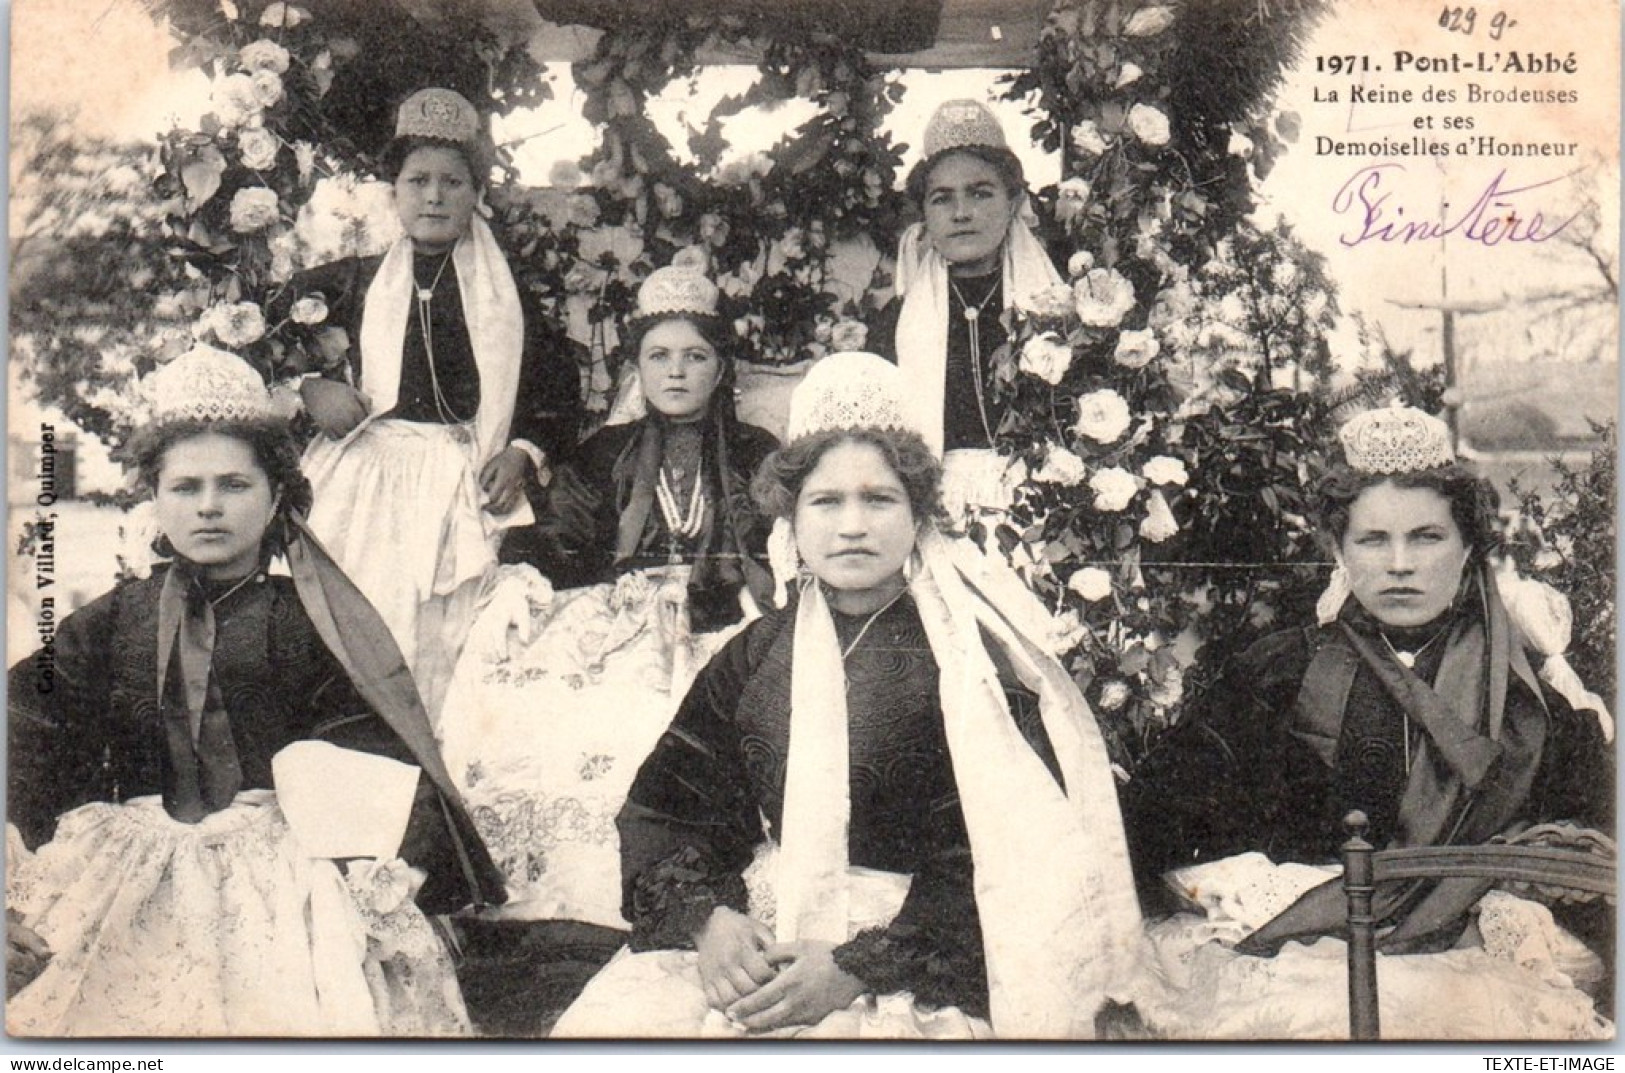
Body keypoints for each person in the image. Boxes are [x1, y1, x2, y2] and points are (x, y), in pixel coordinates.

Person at [549, 351, 1144, 1039]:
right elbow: (672, 805)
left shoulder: (971, 664)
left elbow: (1013, 855)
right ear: (790, 514)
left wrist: (860, 965)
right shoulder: (755, 650)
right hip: (766, 925)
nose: (852, 525)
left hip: (912, 948)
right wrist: (710, 920)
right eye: (826, 501)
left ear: (918, 512)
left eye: (878, 498)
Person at [5, 346, 507, 1036]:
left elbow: (371, 747)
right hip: (129, 865)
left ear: (276, 496)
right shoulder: (112, 619)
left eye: (234, 485)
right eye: (186, 487)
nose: (209, 507)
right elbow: (27, 724)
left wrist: (387, 868)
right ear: (154, 498)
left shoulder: (312, 620)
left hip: (284, 874)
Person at [1121, 404, 1614, 1039]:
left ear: (1468, 548)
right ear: (1339, 547)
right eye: (1373, 539)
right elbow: (1157, 820)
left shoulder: (1528, 701)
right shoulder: (1279, 673)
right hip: (1300, 959)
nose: (1399, 563)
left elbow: (1593, 855)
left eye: (1427, 537)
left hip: (1475, 969)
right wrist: (1263, 888)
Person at [435, 264, 777, 935]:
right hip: (620, 618)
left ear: (719, 368)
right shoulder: (606, 452)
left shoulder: (754, 450)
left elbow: (780, 532)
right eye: (658, 357)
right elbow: (561, 538)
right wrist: (525, 578)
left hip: (723, 616)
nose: (675, 373)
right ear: (637, 369)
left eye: (693, 357)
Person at [288, 87, 582, 718]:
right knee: (353, 619)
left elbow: (556, 386)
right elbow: (261, 343)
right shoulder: (350, 282)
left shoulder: (509, 295)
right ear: (392, 190)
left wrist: (523, 452)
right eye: (417, 180)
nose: (434, 196)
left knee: (444, 638)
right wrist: (310, 388)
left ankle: (430, 772)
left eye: (453, 182)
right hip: (364, 476)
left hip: (461, 472)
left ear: (477, 193)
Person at [870, 98, 1064, 520]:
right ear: (924, 212)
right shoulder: (896, 322)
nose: (961, 213)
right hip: (932, 513)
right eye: (942, 199)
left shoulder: (1055, 308)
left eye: (980, 193)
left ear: (1013, 202)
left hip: (1042, 510)